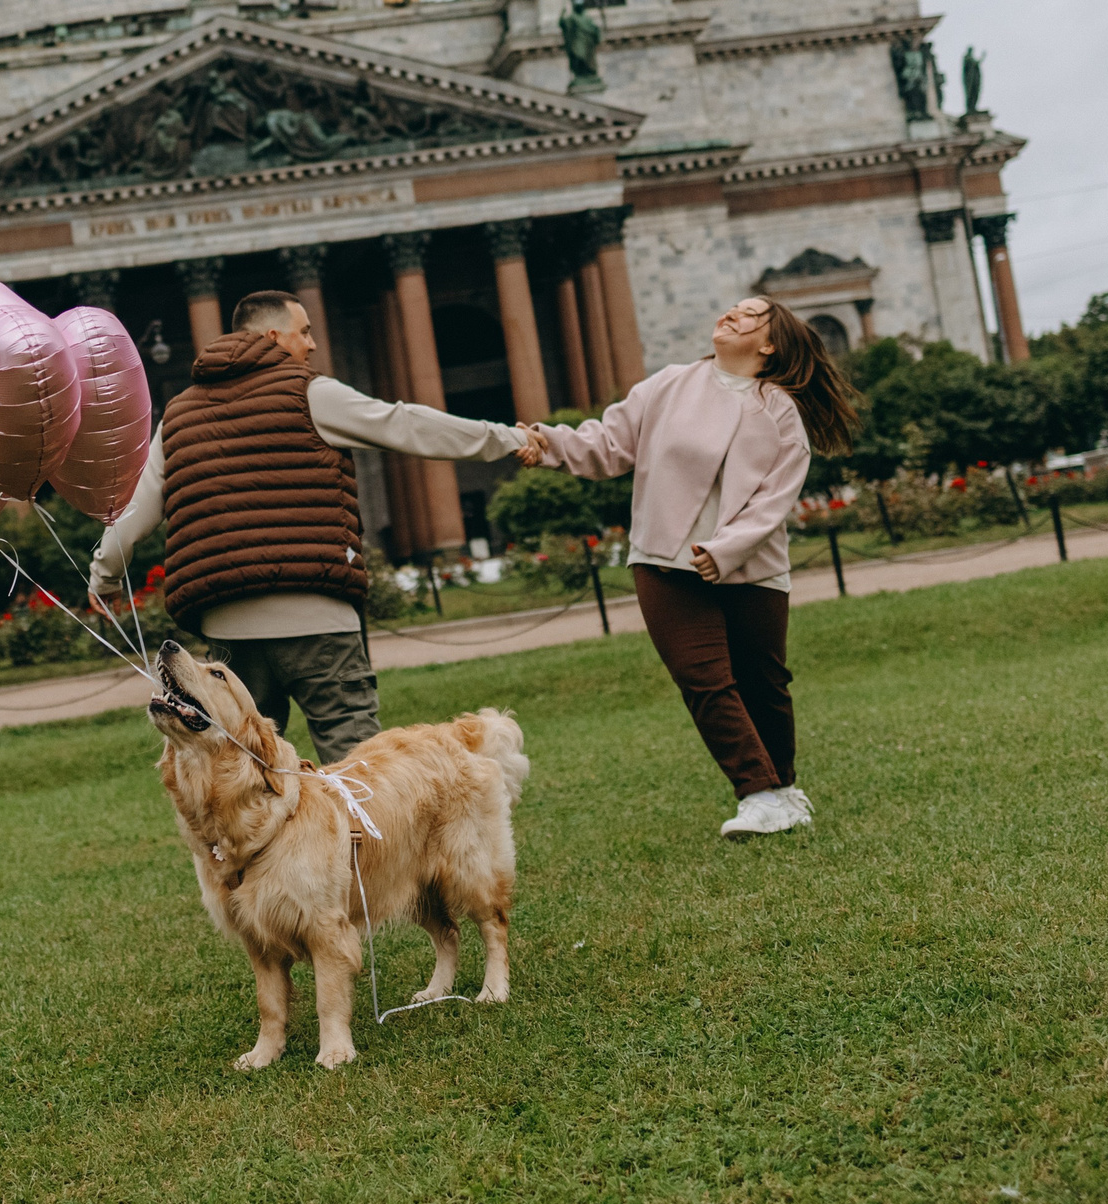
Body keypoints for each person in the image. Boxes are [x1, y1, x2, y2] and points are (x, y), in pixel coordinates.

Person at [90, 289, 525, 764]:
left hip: (228, 631)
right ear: (274, 336)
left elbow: (135, 510)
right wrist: (506, 438)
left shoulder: (177, 415)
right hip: (318, 615)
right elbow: (407, 425)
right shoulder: (311, 393)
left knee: (246, 772)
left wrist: (104, 576)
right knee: (358, 768)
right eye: (305, 332)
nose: (313, 344)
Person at [521, 296, 857, 838]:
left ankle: (784, 788)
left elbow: (774, 500)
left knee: (764, 683)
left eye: (750, 314)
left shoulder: (779, 411)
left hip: (751, 567)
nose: (732, 314)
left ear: (770, 344)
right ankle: (758, 793)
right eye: (733, 307)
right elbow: (608, 442)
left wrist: (727, 551)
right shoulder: (669, 384)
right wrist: (548, 443)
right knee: (704, 681)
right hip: (664, 562)